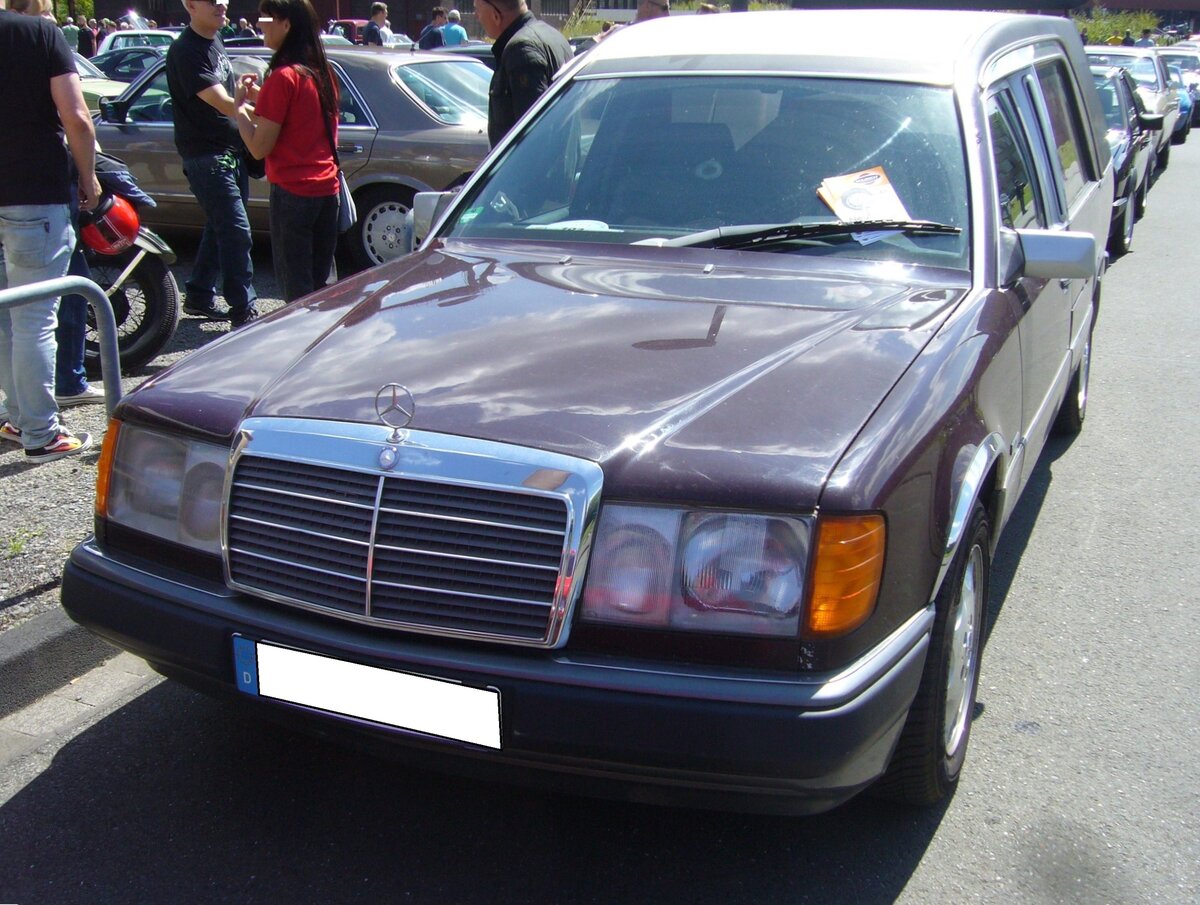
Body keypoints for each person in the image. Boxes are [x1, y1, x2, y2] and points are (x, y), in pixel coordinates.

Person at [0, 0, 100, 462]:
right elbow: (76, 116)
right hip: (33, 191)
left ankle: (19, 417)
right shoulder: (41, 35)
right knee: (35, 319)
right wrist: (88, 176)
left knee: (6, 316)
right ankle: (40, 433)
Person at [234, 0, 339, 303]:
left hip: (293, 193)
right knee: (323, 287)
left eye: (267, 18)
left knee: (297, 294)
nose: (259, 24)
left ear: (286, 24)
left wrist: (240, 109)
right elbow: (298, 119)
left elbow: (258, 147)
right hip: (327, 191)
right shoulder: (321, 73)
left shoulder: (283, 77)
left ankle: (304, 348)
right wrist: (259, 96)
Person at [166, 0, 259, 328]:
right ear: (190, 5)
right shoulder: (186, 50)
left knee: (220, 227)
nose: (222, 4)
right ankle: (243, 310)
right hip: (206, 156)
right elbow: (222, 102)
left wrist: (254, 95)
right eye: (211, 0)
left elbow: (233, 97)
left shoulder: (213, 41)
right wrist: (262, 113)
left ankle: (199, 294)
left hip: (231, 151)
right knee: (235, 231)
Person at [473, 0, 572, 146]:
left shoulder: (521, 50)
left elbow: (534, 135)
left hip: (534, 167)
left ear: (495, 16)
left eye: (477, 9)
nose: (476, 16)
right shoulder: (554, 36)